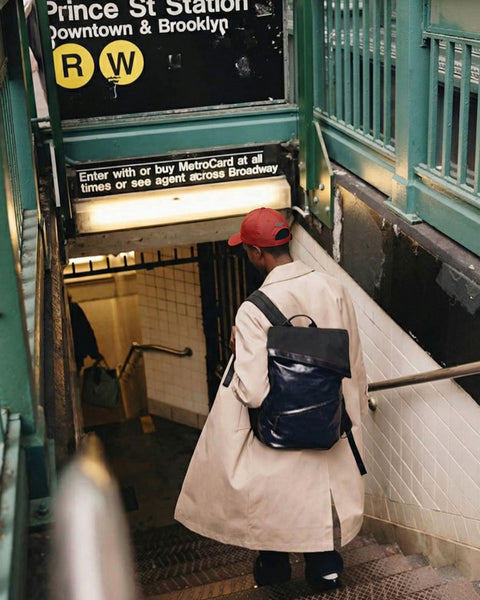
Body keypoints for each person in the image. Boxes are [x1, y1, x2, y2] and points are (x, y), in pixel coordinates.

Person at [174, 207, 368, 591]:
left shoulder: (253, 309)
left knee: (276, 500)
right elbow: (354, 362)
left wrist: (239, 352)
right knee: (319, 495)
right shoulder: (334, 288)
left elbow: (253, 391)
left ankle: (274, 571)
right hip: (330, 422)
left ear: (256, 253)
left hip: (280, 431)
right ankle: (325, 570)